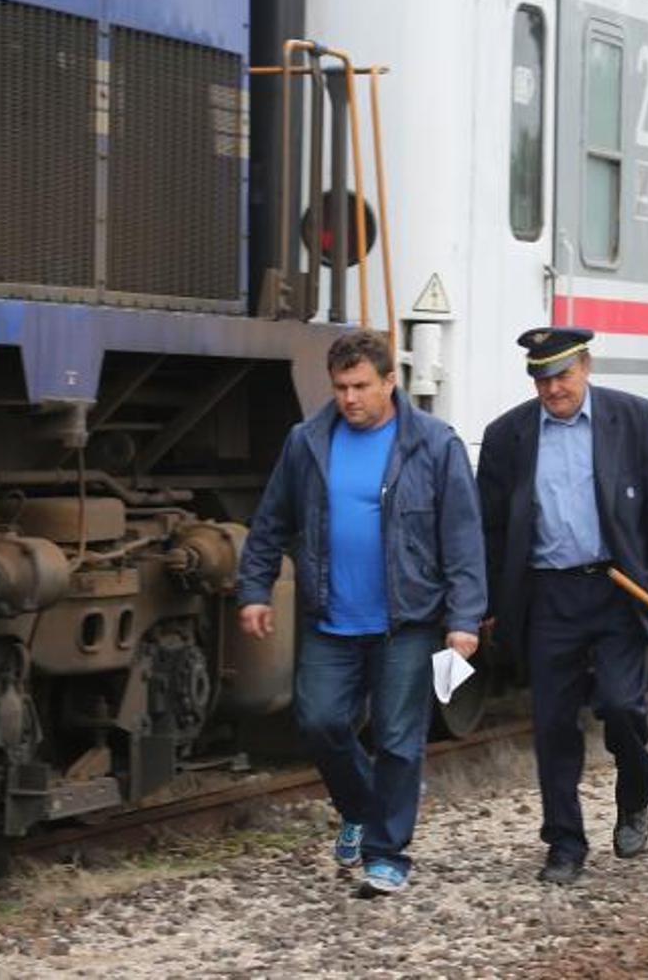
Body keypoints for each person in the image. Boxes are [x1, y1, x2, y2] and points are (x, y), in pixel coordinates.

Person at [238, 330, 485, 896]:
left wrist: (464, 619)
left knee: (398, 740)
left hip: (407, 621)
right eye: (340, 387)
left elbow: (463, 539)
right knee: (319, 722)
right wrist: (254, 590)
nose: (349, 398)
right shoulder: (308, 442)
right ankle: (358, 807)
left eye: (360, 386)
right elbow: (270, 522)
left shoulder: (434, 444)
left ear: (390, 382)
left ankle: (387, 853)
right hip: (332, 618)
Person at [476, 326, 648, 885]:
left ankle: (635, 795)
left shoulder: (633, 418)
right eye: (541, 379)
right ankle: (564, 843)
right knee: (552, 724)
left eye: (562, 376)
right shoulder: (506, 436)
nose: (553, 389)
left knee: (621, 707)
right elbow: (490, 529)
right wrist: (489, 602)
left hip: (618, 591)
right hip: (548, 596)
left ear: (586, 368)